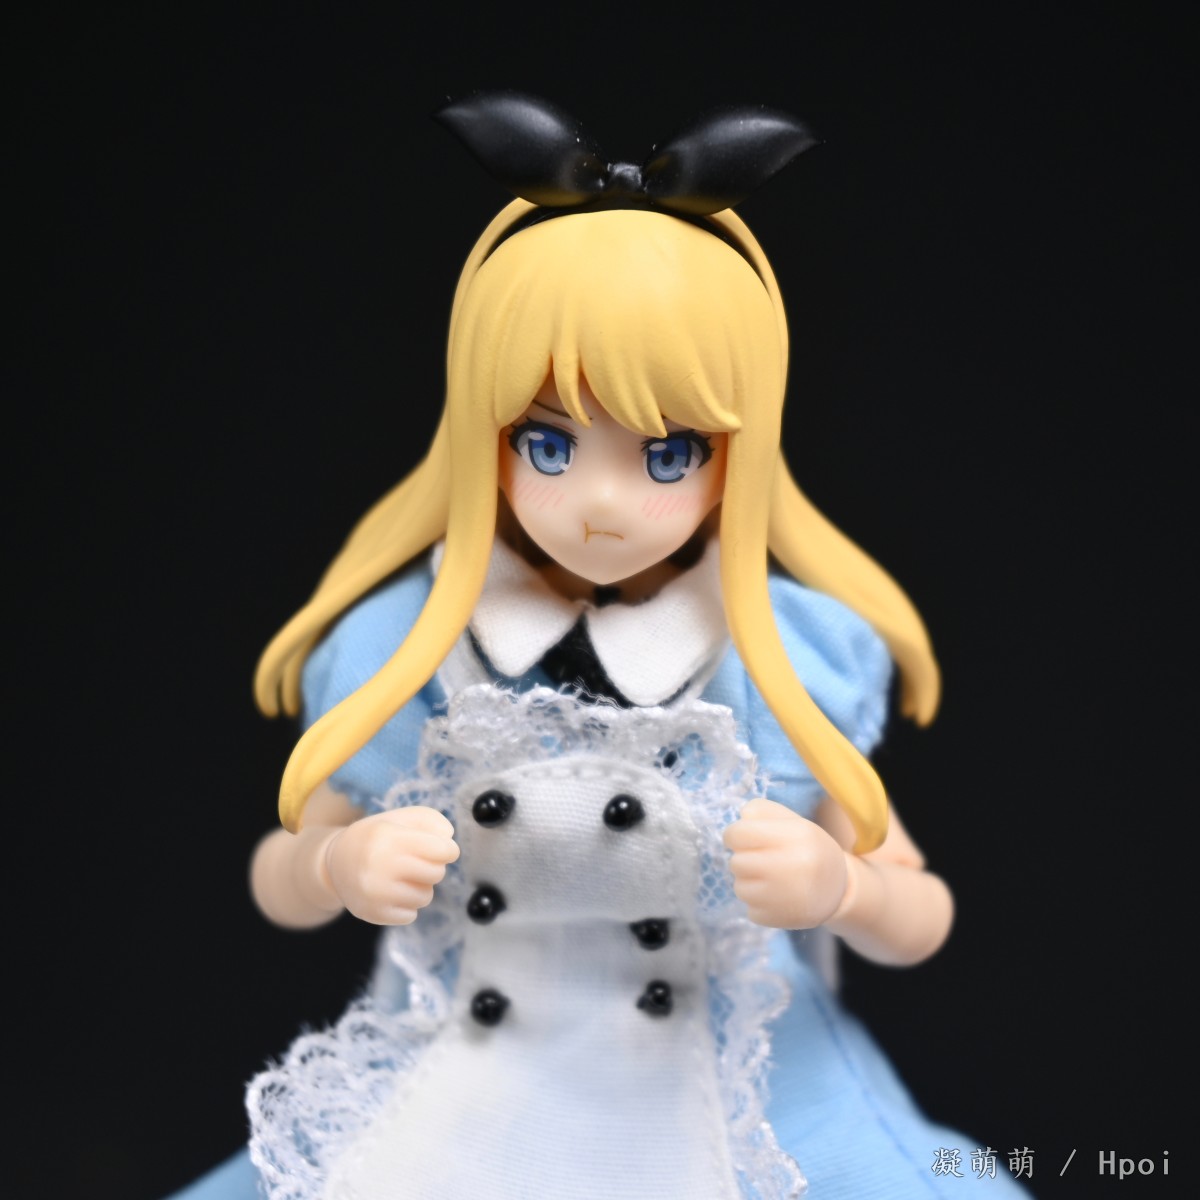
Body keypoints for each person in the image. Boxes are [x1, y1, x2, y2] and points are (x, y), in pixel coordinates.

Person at [166, 93, 1031, 1200]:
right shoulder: (409, 645)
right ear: (481, 433)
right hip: (471, 1079)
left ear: (739, 453)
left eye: (668, 454)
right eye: (547, 445)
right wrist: (334, 867)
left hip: (743, 1088)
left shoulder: (784, 657)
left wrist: (841, 890)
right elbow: (278, 874)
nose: (602, 503)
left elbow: (921, 913)